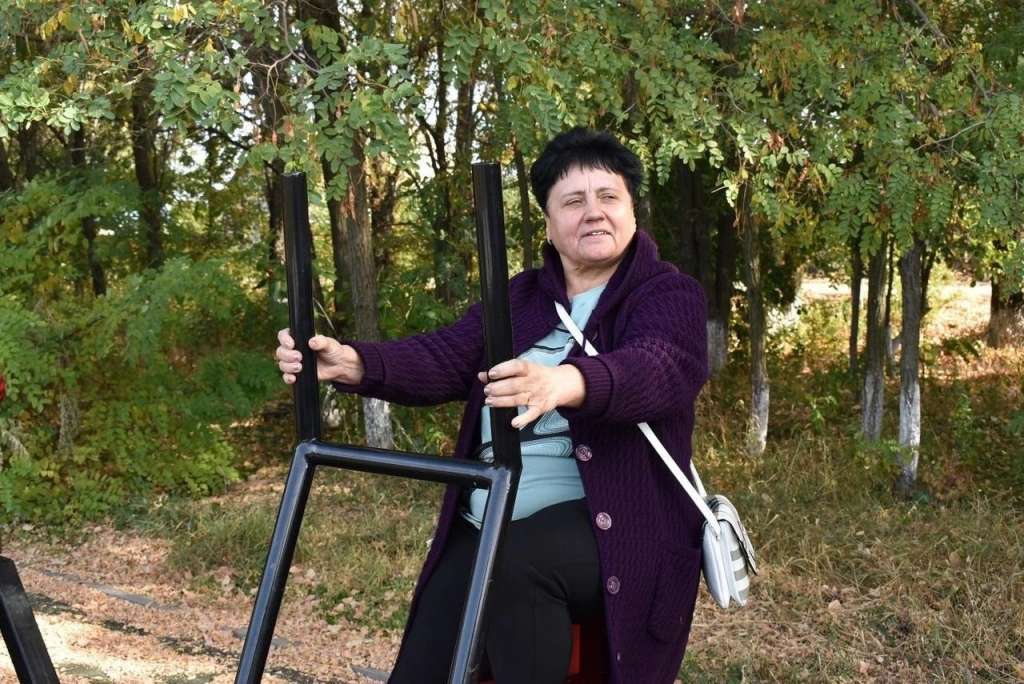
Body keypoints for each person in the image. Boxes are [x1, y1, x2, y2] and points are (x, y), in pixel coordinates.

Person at [275, 128, 709, 684]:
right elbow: (444, 356)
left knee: (514, 563)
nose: (594, 212)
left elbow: (660, 367)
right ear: (548, 224)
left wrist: (566, 381)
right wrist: (353, 364)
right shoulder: (521, 299)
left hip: (619, 527)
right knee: (427, 654)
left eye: (609, 197)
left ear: (631, 211)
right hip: (490, 517)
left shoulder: (666, 294)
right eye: (573, 201)